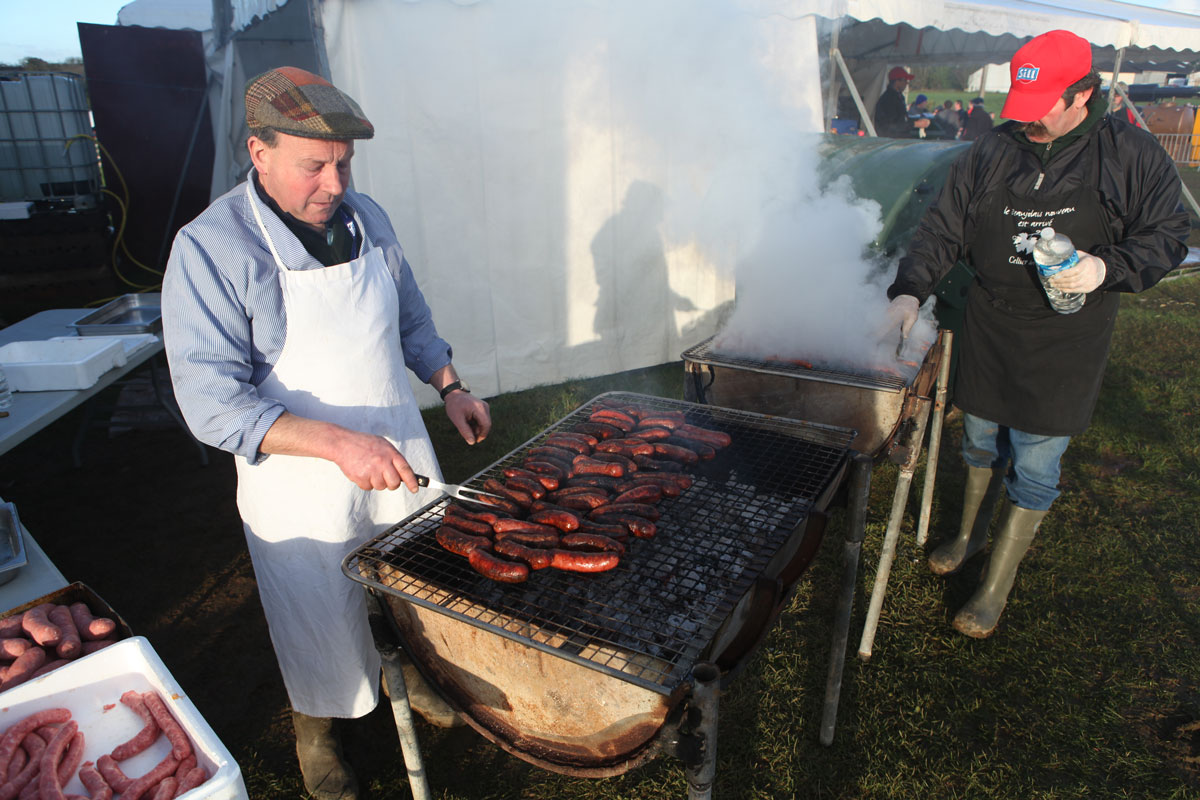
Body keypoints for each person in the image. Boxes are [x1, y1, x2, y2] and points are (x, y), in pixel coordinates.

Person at [162, 67, 493, 800]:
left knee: (415, 583)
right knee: (316, 606)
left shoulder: (367, 216)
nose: (335, 182)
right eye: (314, 165)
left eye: (344, 163)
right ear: (259, 151)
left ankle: (421, 676)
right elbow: (211, 402)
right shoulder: (211, 249)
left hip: (397, 447)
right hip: (299, 477)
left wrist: (449, 384)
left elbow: (409, 315)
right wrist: (339, 445)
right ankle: (317, 727)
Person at [880, 31, 1188, 639]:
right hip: (993, 323)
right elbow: (944, 227)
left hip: (1066, 336)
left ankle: (995, 586)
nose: (1029, 121)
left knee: (1036, 464)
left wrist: (1107, 268)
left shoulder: (1132, 155)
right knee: (978, 438)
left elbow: (1168, 234)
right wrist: (910, 290)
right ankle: (968, 534)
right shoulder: (995, 147)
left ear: (1083, 95)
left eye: (1043, 104)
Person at [873, 66, 931, 138]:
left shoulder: (898, 97)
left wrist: (917, 121)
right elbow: (892, 125)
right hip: (891, 141)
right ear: (897, 81)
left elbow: (902, 119)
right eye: (905, 80)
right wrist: (916, 124)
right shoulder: (888, 100)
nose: (907, 83)